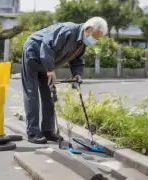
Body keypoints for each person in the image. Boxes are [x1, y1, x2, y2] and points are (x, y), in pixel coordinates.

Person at [21, 16, 108, 144]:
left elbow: (77, 58)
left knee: (49, 95)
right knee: (32, 93)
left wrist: (76, 74)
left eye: (98, 38)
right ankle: (33, 132)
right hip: (33, 52)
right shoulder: (67, 30)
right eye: (95, 37)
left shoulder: (82, 41)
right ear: (88, 29)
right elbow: (47, 44)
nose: (95, 40)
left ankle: (48, 131)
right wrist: (50, 70)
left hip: (47, 61)